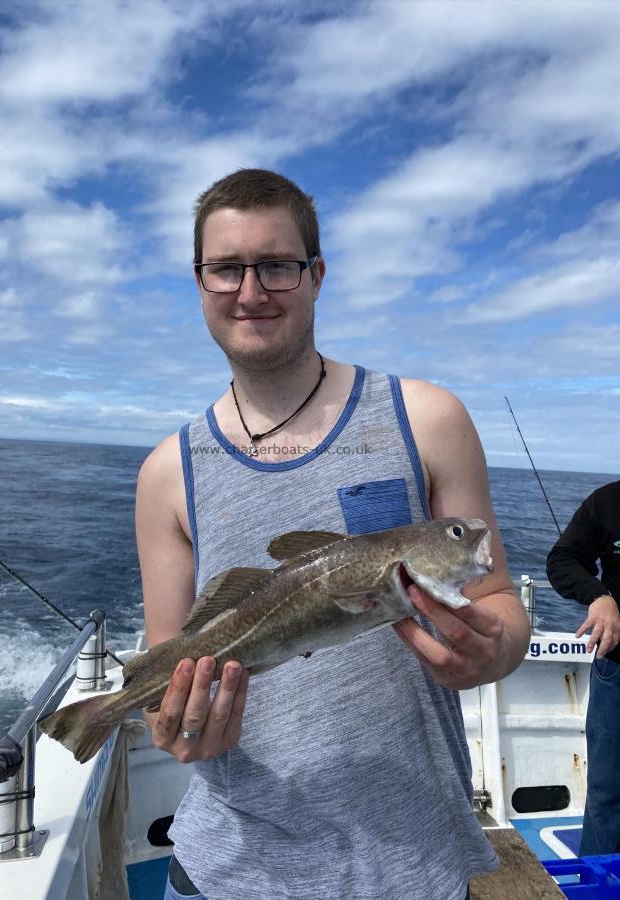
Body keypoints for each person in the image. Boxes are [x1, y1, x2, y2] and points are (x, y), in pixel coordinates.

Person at [135, 168, 531, 900]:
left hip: (413, 863)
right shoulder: (165, 472)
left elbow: (499, 597)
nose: (250, 291)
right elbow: (171, 659)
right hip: (226, 870)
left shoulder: (427, 417)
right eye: (225, 268)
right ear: (199, 283)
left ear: (315, 276)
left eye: (276, 266)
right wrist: (179, 727)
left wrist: (493, 649)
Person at [546, 481, 620, 856]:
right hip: (617, 668)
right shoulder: (608, 502)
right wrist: (599, 596)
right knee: (608, 790)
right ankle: (603, 882)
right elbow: (562, 560)